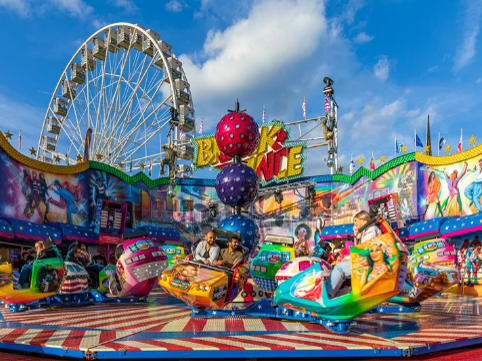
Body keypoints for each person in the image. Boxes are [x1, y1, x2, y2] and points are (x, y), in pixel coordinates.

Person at [325, 210, 382, 299]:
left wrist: (348, 258)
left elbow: (362, 250)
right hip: (366, 262)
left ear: (363, 220)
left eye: (356, 221)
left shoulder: (372, 230)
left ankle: (327, 295)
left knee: (339, 268)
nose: (355, 224)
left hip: (368, 264)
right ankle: (338, 295)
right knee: (340, 268)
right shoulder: (367, 231)